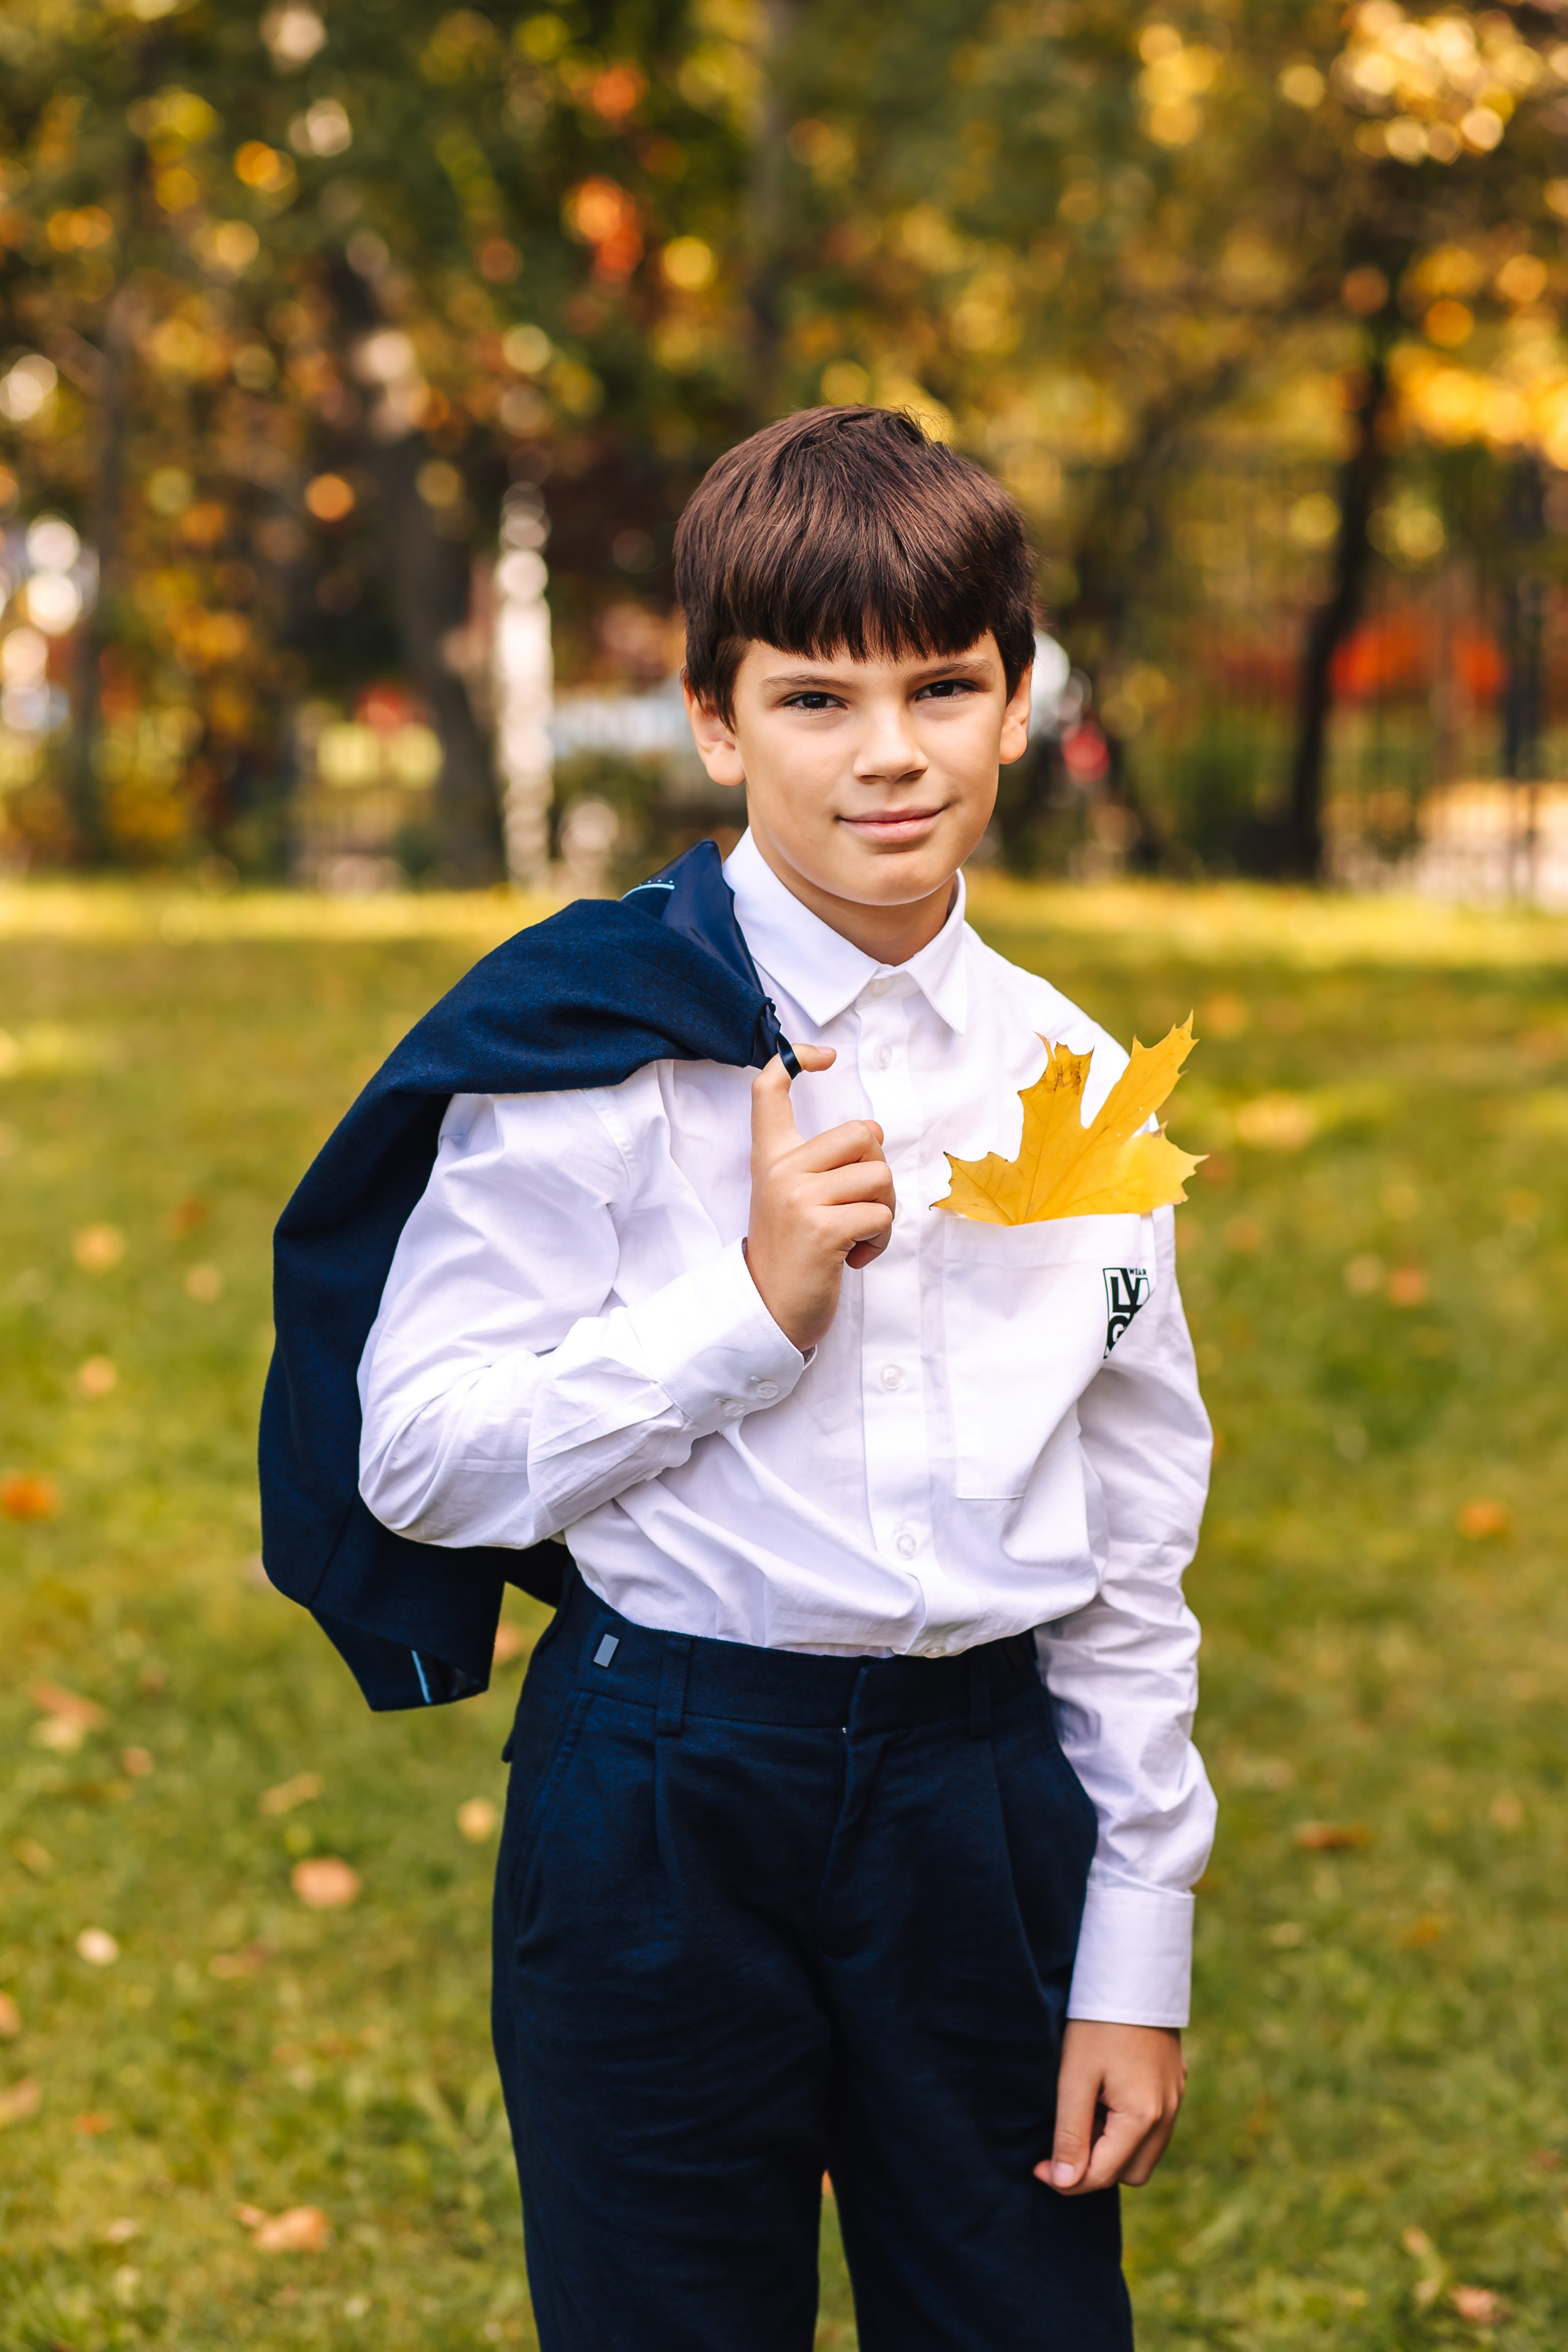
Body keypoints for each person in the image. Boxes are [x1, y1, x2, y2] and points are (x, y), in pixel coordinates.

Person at [355, 405, 1215, 2351]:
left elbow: (1134, 1520)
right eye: (817, 697)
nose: (892, 751)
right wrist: (749, 1306)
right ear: (718, 725)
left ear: (1018, 704)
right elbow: (417, 1456)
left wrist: (1134, 1947)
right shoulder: (602, 1041)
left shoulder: (1075, 1087)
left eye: (946, 686)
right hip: (664, 1785)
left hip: (981, 1807)